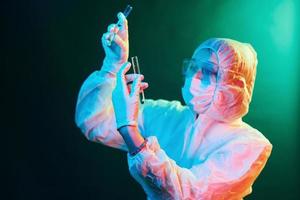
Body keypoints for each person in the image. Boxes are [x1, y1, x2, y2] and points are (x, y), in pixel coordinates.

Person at [75, 12, 272, 200]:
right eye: (194, 66)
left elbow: (189, 194)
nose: (194, 76)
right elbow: (93, 123)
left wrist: (130, 130)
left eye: (209, 71)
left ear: (235, 86)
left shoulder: (249, 144)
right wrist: (112, 66)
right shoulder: (166, 114)